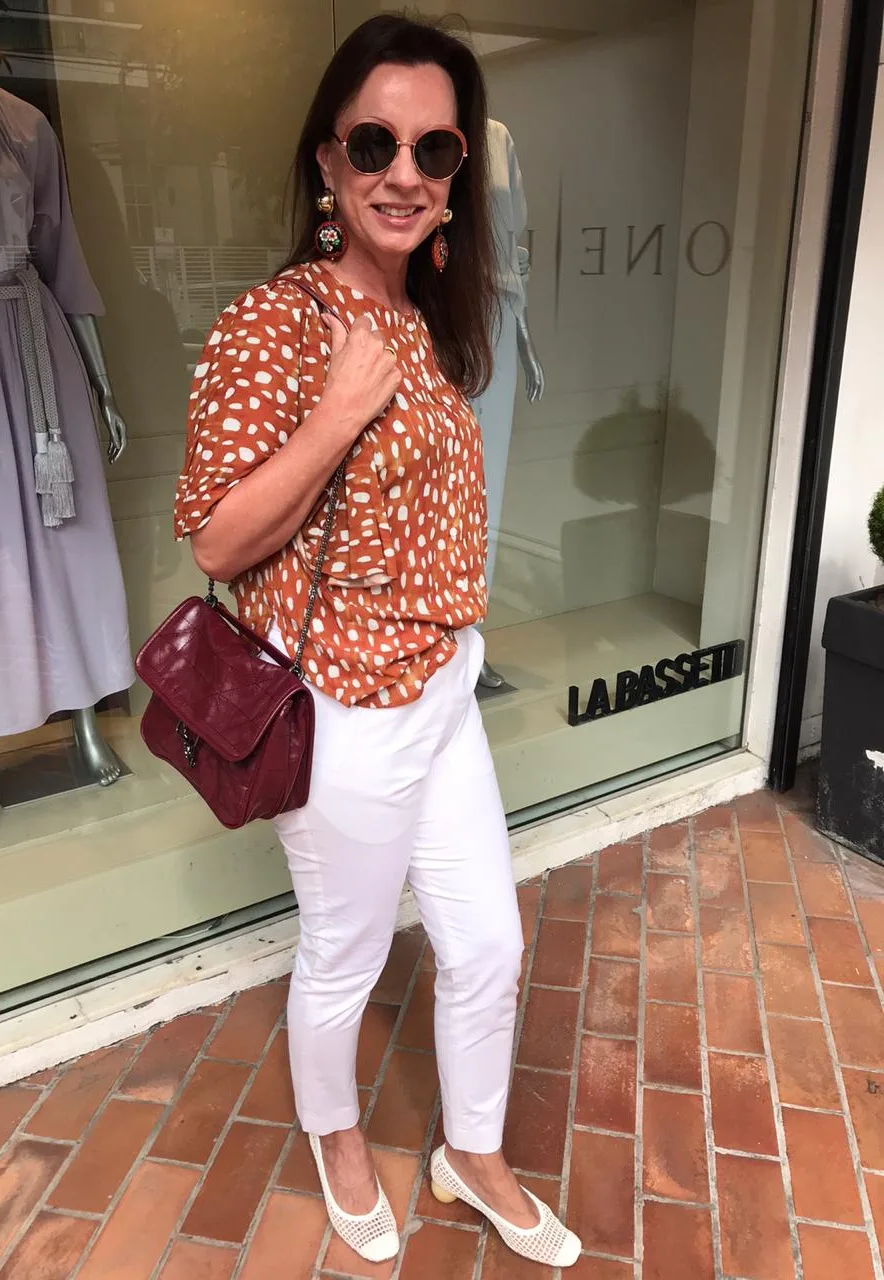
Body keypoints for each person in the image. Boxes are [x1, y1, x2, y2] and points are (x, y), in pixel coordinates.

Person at [174, 13, 581, 1270]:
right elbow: (217, 540)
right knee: (344, 955)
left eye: (434, 148)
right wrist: (337, 414)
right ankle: (338, 1137)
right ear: (326, 161)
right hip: (344, 707)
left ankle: (475, 1153)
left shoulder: (427, 316)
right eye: (374, 143)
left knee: (489, 942)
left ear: (458, 172)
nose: (405, 172)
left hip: (443, 684)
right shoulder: (277, 323)